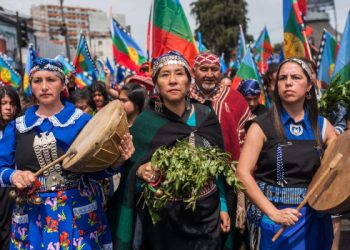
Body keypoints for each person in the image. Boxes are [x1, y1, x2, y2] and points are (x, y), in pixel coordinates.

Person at [0, 58, 134, 249]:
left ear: (63, 84)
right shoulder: (17, 126)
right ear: (31, 86)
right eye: (37, 81)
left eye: (51, 79)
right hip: (32, 214)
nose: (44, 86)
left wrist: (117, 161)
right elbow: (1, 167)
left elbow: (96, 172)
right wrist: (14, 175)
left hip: (78, 212)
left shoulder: (83, 122)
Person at [109, 51, 229, 250]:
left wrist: (223, 206)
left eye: (179, 74)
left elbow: (218, 168)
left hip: (207, 216)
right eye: (165, 75)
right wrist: (140, 172)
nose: (173, 80)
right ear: (156, 84)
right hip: (163, 221)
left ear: (189, 81)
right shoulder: (146, 123)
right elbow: (130, 173)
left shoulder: (206, 116)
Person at [237, 58, 337, 250]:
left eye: (296, 77)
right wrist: (273, 213)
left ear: (309, 86)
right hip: (274, 221)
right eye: (283, 78)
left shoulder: (323, 126)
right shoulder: (260, 126)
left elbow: (339, 168)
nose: (288, 82)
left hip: (313, 220)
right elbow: (242, 173)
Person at [190, 51, 252, 249]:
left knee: (228, 236)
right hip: (190, 180)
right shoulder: (183, 98)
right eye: (204, 69)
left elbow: (246, 141)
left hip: (229, 180)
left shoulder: (235, 99)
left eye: (214, 70)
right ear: (194, 71)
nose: (209, 74)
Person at [0, 86, 22, 250]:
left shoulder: (21, 128)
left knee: (9, 228)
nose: (8, 107)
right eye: (3, 103)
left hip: (11, 187)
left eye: (12, 103)